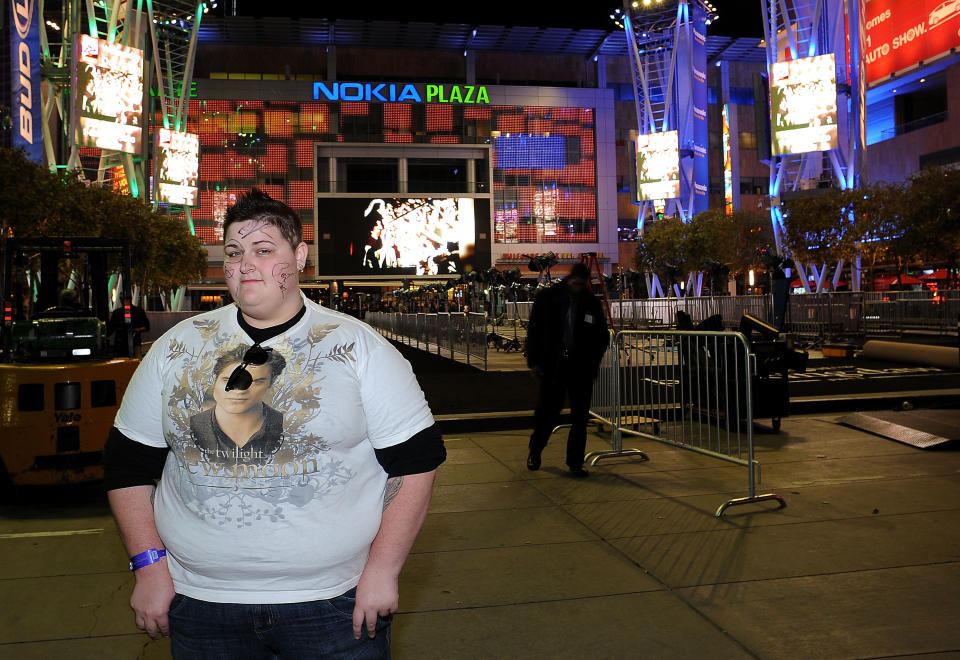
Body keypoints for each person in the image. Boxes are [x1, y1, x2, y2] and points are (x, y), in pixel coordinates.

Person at [103, 188, 445, 658]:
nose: (246, 265)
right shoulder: (176, 348)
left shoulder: (359, 348)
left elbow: (416, 464)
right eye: (234, 252)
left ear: (299, 256)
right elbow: (126, 466)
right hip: (201, 606)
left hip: (333, 605)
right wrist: (148, 568)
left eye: (264, 251)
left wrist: (383, 571)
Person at [524, 263, 608, 478]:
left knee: (579, 417)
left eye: (582, 284)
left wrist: (593, 364)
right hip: (554, 365)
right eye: (576, 283)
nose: (578, 287)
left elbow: (601, 336)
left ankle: (575, 462)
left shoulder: (590, 302)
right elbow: (535, 329)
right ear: (570, 280)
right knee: (547, 412)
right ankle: (536, 448)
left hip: (580, 367)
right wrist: (534, 361)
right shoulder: (549, 297)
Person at [189, 344, 287, 462]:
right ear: (214, 380)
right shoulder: (191, 426)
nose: (239, 390)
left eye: (256, 382)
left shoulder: (286, 424)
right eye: (229, 380)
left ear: (271, 382)